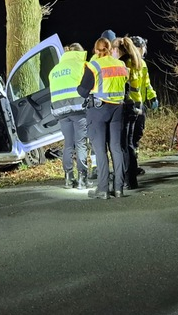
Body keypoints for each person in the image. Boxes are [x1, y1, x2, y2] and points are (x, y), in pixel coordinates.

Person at [78, 37, 129, 199]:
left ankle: (103, 189)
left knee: (100, 149)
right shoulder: (121, 65)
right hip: (118, 109)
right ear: (109, 49)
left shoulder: (94, 66)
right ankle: (119, 188)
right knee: (116, 148)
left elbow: (83, 91)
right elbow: (125, 85)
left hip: (99, 110)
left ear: (96, 50)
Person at [48, 43, 92, 190]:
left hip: (61, 112)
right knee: (80, 143)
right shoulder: (82, 65)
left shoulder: (55, 69)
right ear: (80, 53)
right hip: (79, 109)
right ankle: (82, 179)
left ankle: (68, 179)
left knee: (68, 144)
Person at [117, 36, 152, 189]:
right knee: (130, 142)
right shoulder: (130, 63)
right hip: (133, 105)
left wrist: (152, 96)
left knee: (129, 142)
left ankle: (129, 174)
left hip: (131, 105)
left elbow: (146, 83)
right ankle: (131, 173)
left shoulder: (134, 63)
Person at [128, 36, 160, 181]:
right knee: (130, 137)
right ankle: (129, 166)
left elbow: (146, 83)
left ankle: (134, 164)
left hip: (140, 104)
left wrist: (152, 96)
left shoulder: (143, 64)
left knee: (137, 135)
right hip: (130, 105)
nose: (145, 50)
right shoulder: (127, 63)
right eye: (143, 47)